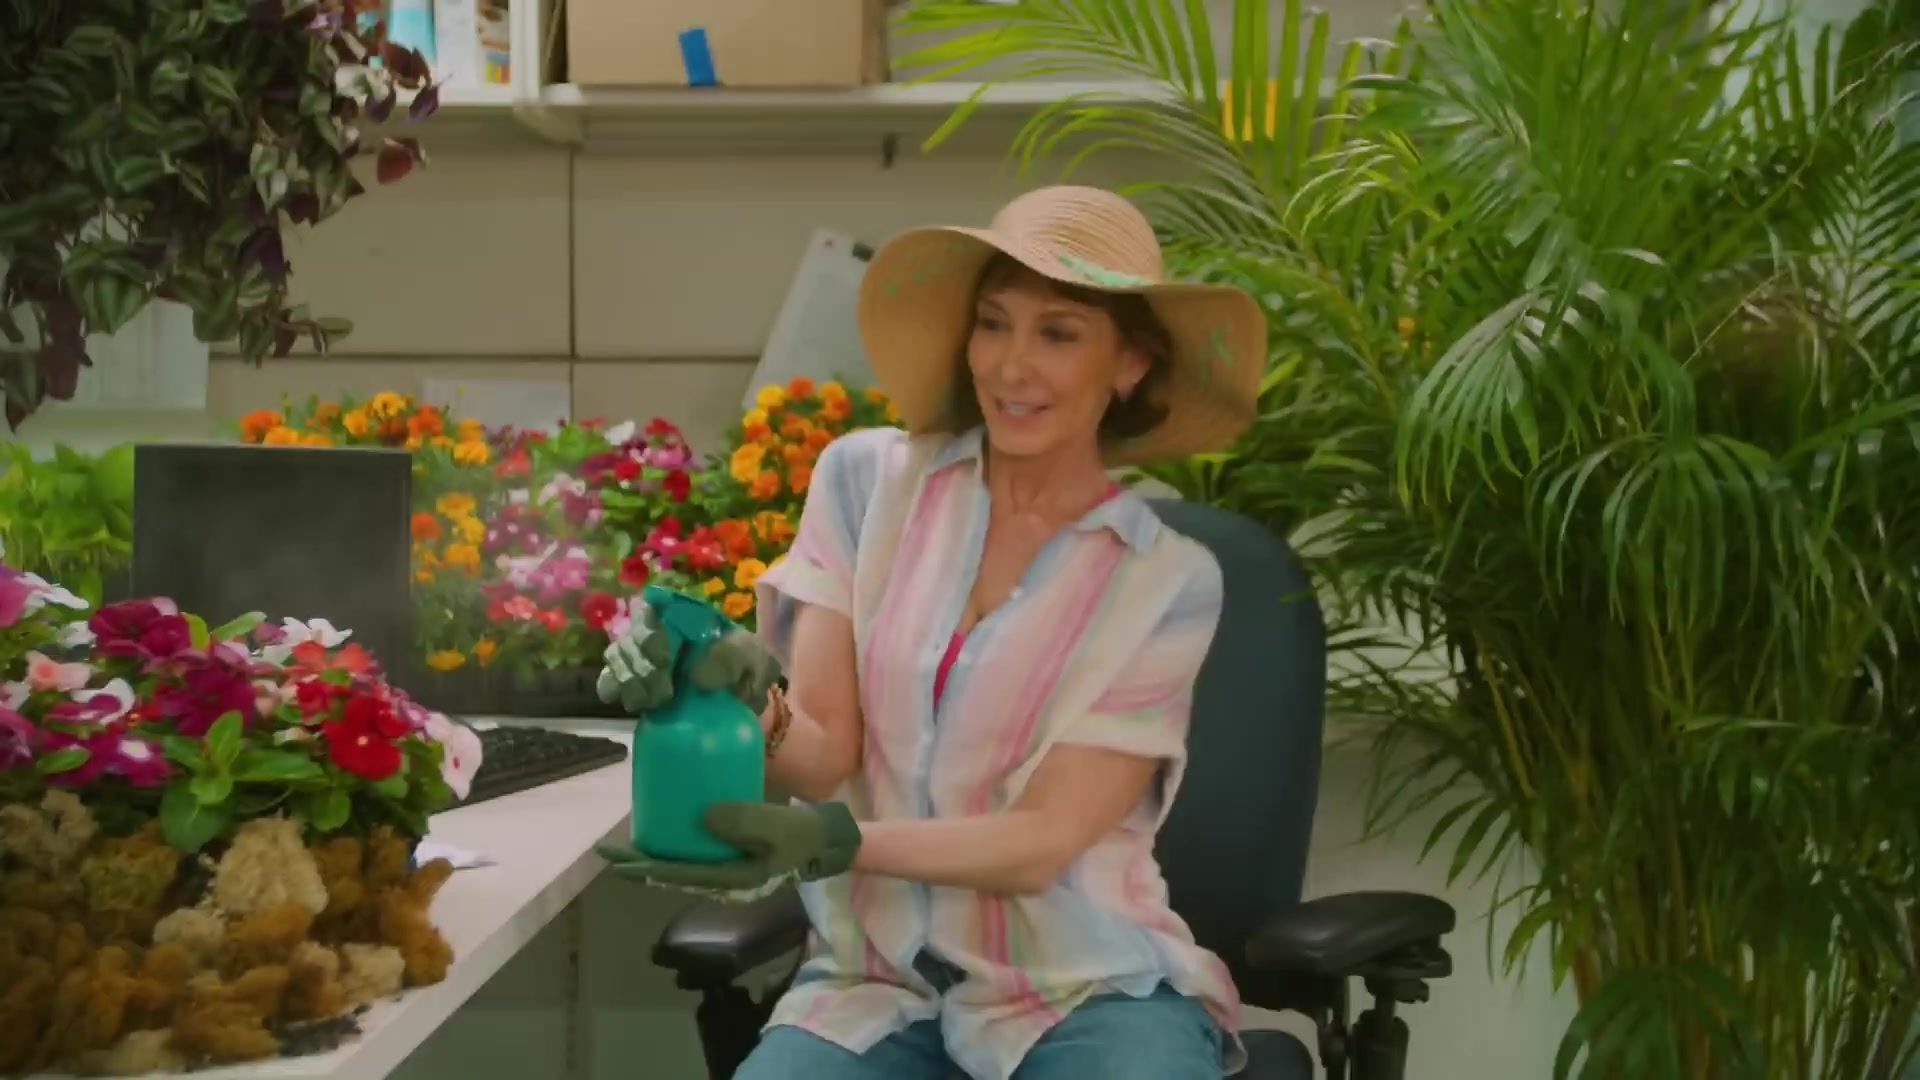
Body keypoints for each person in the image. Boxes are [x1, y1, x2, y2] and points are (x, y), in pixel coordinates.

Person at [597, 185, 1268, 1080]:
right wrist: (728, 689)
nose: (1010, 366)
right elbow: (820, 756)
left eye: (1058, 334)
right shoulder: (863, 485)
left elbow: (1044, 839)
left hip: (1085, 989)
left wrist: (838, 843)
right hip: (874, 985)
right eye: (994, 324)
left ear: (1131, 364)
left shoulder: (1167, 580)